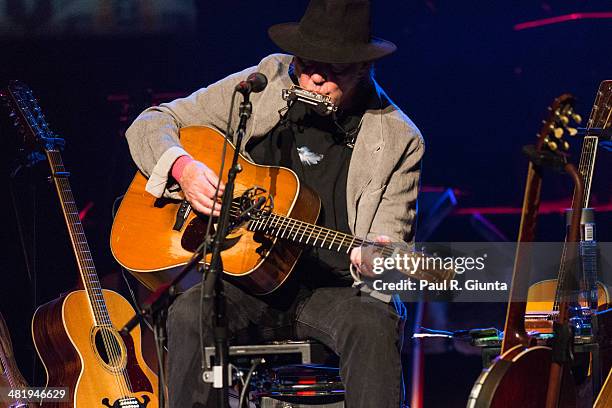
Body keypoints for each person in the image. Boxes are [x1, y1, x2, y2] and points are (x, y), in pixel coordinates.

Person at [125, 0, 424, 406]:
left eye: (333, 68)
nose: (315, 77)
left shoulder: (399, 139)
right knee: (187, 313)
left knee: (373, 322)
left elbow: (393, 250)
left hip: (332, 291)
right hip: (247, 284)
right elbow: (153, 122)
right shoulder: (269, 79)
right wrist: (184, 170)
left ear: (363, 67)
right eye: (307, 63)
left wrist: (380, 259)